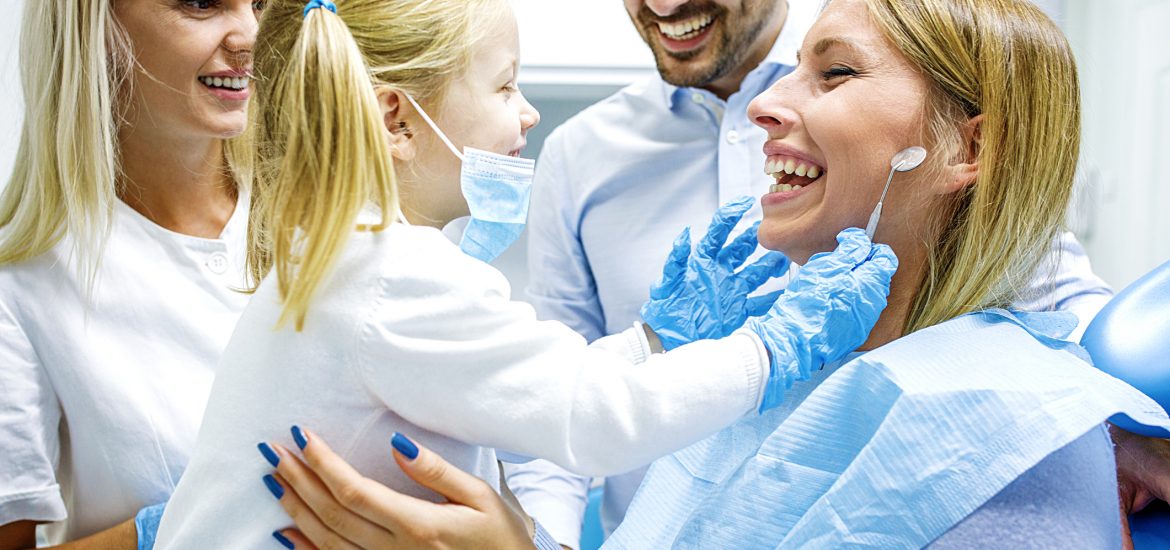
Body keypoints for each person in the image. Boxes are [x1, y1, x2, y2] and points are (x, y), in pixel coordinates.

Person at [249, 0, 1170, 547]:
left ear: (970, 146)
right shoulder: (758, 399)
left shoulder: (1011, 451)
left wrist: (1122, 418)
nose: (764, 107)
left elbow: (1044, 285)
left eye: (835, 73)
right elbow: (561, 403)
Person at [150, 0, 896, 547]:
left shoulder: (345, 257)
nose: (529, 113)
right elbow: (595, 419)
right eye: (505, 86)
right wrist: (771, 346)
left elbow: (548, 389)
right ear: (397, 120)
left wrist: (651, 340)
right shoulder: (398, 274)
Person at [0, 0, 261, 548]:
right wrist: (164, 533)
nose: (249, 35)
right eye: (200, 3)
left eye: (258, 3)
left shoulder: (334, 216)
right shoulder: (23, 281)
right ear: (95, 26)